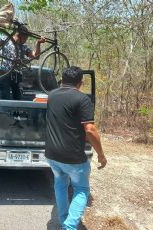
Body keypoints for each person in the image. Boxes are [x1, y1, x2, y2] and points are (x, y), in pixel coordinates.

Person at [45, 66, 107, 230]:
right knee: (81, 189)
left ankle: (64, 220)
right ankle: (69, 227)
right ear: (81, 83)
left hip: (52, 155)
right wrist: (101, 154)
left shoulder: (51, 95)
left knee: (60, 184)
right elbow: (90, 130)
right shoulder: (82, 99)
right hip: (72, 157)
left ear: (62, 80)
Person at [0, 18, 46, 100]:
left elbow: (36, 56)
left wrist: (38, 44)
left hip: (17, 75)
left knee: (18, 98)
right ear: (19, 36)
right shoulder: (5, 40)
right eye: (25, 39)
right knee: (5, 97)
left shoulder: (24, 47)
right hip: (5, 73)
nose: (25, 41)